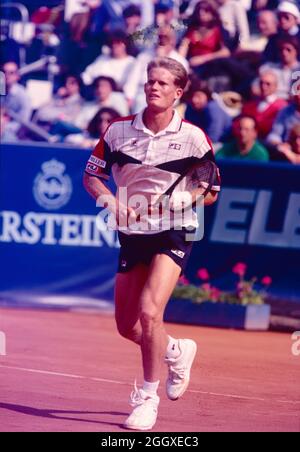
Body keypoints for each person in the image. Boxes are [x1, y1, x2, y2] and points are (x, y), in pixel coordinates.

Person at [83, 57, 220, 430]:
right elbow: (91, 175)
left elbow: (210, 189)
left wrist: (182, 200)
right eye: (149, 81)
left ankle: (147, 398)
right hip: (133, 233)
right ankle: (176, 350)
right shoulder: (116, 131)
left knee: (149, 311)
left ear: (178, 92)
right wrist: (110, 201)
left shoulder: (192, 137)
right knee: (127, 326)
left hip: (175, 228)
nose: (153, 87)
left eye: (162, 83)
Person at [242, 70, 287, 139]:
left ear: (275, 86)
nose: (264, 86)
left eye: (268, 84)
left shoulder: (282, 106)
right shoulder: (249, 105)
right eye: (261, 83)